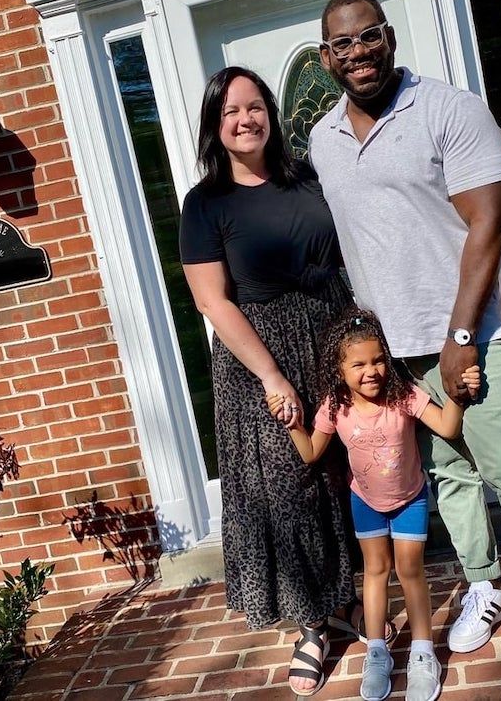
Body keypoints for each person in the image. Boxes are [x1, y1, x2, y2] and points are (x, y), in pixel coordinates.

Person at [307, 0, 501, 694]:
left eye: (369, 36)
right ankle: (486, 583)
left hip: (463, 338)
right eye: (343, 44)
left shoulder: (449, 109)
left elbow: (490, 222)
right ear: (325, 58)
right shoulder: (321, 138)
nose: (358, 53)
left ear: (390, 38)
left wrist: (462, 334)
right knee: (450, 479)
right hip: (392, 357)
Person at [179, 66, 365, 697]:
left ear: (270, 113)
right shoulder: (205, 204)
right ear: (214, 124)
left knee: (345, 471)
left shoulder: (307, 176)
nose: (245, 119)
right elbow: (213, 301)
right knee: (287, 490)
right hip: (257, 356)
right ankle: (311, 623)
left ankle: (349, 599)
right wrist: (272, 377)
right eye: (231, 111)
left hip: (331, 337)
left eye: (255, 106)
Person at [269, 308, 480, 701]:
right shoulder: (335, 407)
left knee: (410, 570)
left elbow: (448, 427)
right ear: (340, 369)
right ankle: (377, 652)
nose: (372, 371)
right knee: (376, 572)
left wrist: (457, 393)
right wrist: (293, 425)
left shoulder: (404, 396)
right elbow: (312, 452)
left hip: (409, 499)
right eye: (359, 364)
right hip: (365, 501)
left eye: (379, 359)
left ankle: (422, 653)